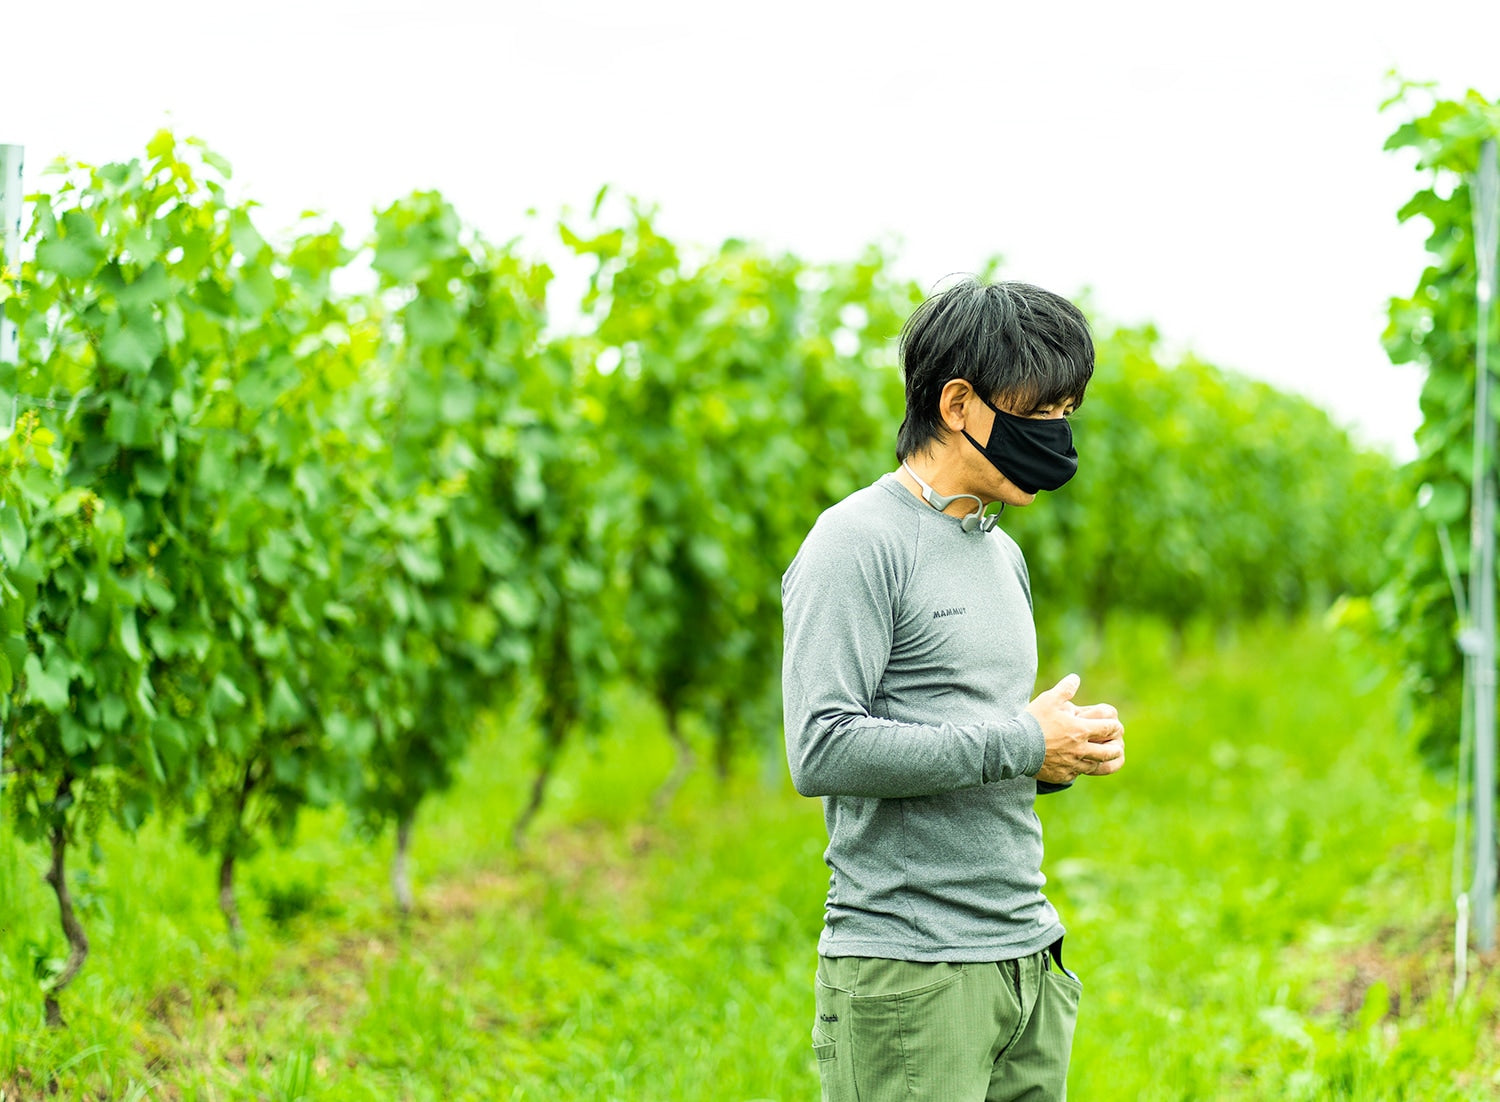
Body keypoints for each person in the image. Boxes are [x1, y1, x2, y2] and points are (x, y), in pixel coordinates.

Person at [780, 277, 1126, 1102]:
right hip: (913, 971)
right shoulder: (856, 542)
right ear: (960, 402)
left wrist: (1053, 756)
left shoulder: (1000, 552)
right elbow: (822, 745)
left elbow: (966, 737)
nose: (1058, 438)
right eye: (1041, 413)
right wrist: (1020, 740)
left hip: (1025, 957)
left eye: (1067, 414)